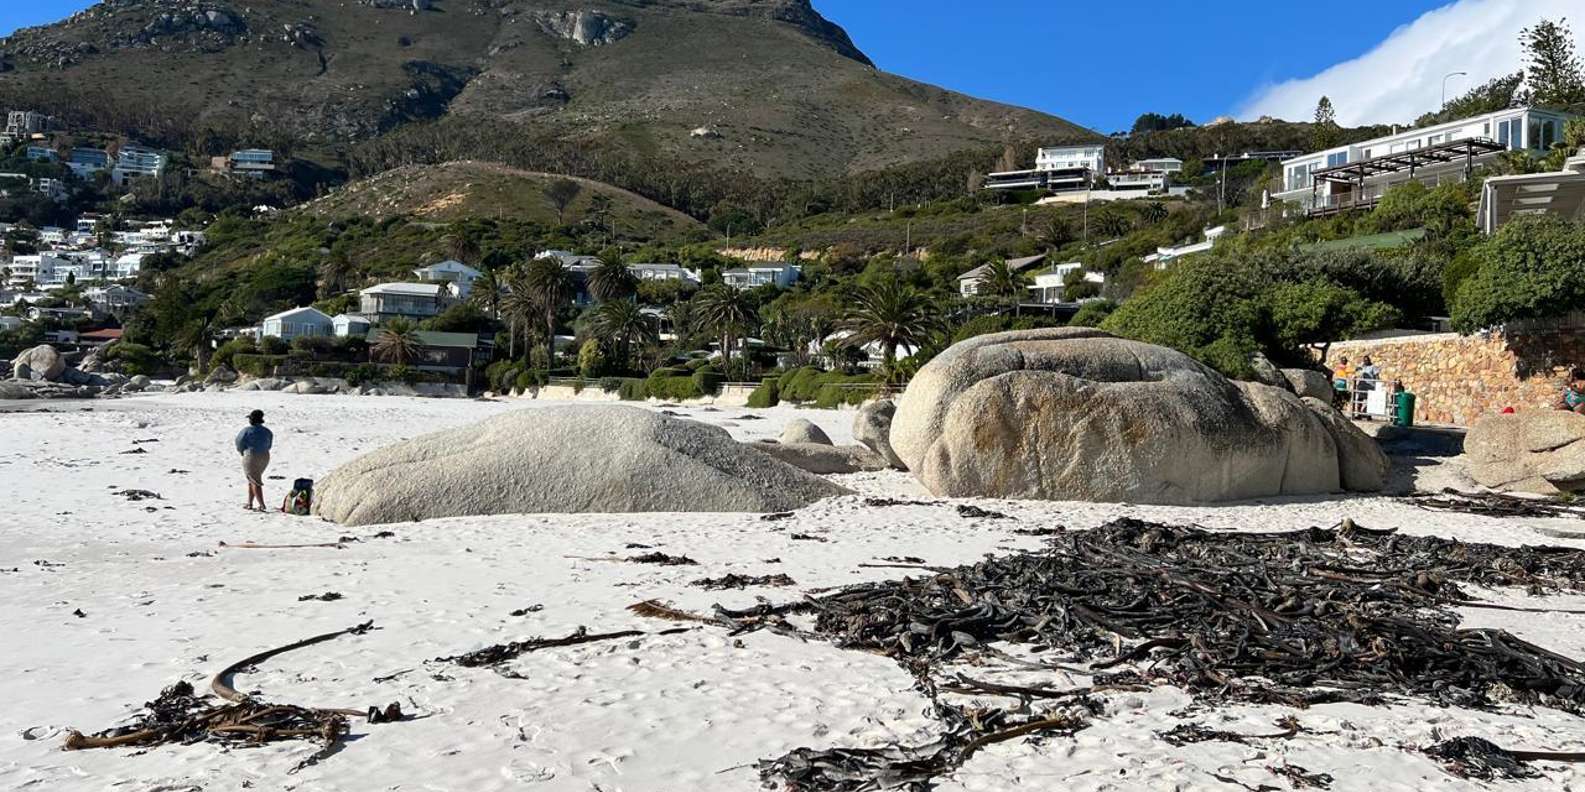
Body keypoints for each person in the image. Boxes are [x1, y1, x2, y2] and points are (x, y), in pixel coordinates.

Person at [236, 409, 274, 512]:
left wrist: (242, 452)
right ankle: (250, 503)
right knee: (252, 480)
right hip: (265, 456)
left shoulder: (246, 431)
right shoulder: (267, 431)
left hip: (251, 456)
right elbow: (269, 444)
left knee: (255, 481)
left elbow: (239, 443)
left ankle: (262, 505)